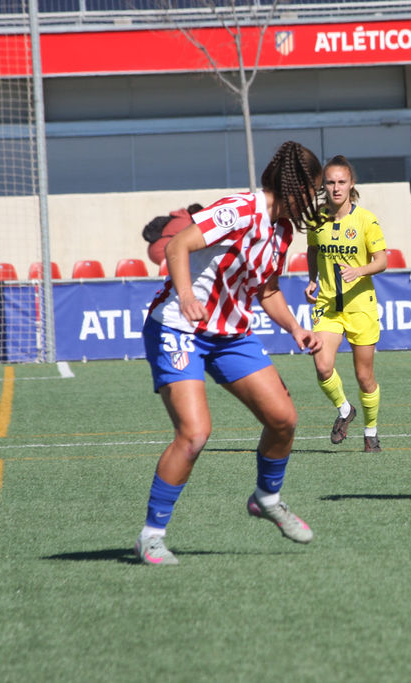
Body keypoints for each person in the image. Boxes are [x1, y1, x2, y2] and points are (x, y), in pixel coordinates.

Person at [135, 141, 323, 565]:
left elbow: (268, 289)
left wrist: (296, 328)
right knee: (195, 433)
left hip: (229, 335)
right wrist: (185, 295)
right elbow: (177, 245)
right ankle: (151, 535)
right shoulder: (240, 209)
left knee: (283, 419)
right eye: (311, 190)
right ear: (293, 187)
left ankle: (266, 497)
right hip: (179, 328)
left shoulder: (283, 231)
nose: (315, 200)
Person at [305, 156, 388, 453]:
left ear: (351, 184)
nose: (336, 188)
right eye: (330, 182)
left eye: (342, 182)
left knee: (365, 377)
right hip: (328, 305)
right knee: (322, 366)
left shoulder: (366, 219)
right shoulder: (316, 219)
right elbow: (312, 250)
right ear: (323, 185)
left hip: (360, 307)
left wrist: (359, 270)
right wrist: (313, 279)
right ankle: (344, 410)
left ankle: (371, 432)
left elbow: (382, 261)